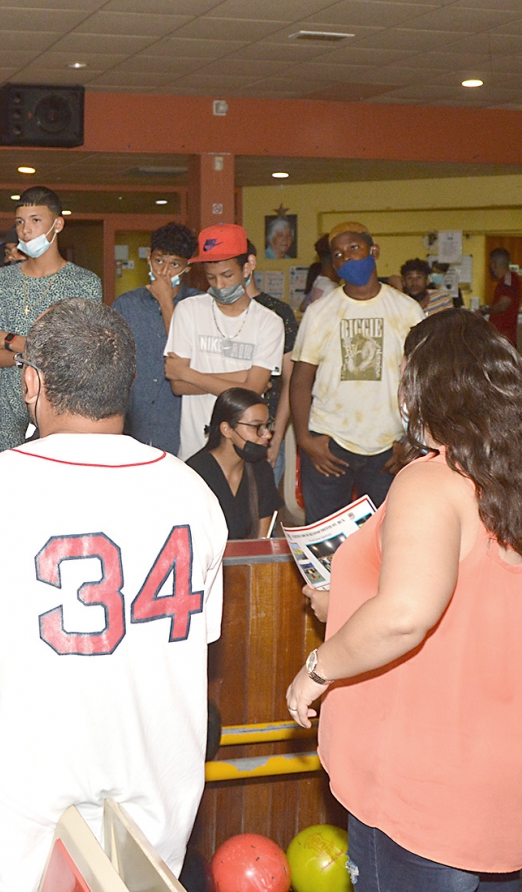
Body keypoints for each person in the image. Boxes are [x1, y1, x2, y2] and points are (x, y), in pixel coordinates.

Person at [0, 298, 227, 892]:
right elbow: (195, 644)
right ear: (126, 386)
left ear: (31, 382)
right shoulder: (192, 491)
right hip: (153, 818)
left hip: (16, 816)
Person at [287, 310, 522, 891]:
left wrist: (317, 669)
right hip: (502, 780)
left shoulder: (433, 479)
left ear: (417, 388)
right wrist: (342, 600)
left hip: (424, 783)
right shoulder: (506, 478)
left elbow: (405, 614)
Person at [290, 222, 423, 523]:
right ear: (333, 266)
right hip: (329, 445)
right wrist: (305, 441)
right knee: (323, 539)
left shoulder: (407, 310)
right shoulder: (320, 312)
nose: (347, 259)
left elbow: (422, 381)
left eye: (354, 249)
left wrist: (413, 442)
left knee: (391, 537)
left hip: (389, 448)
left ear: (373, 251)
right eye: (338, 255)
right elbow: (301, 380)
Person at [0, 186, 103, 454]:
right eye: (20, 222)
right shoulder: (1, 281)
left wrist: (11, 341)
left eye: (35, 220)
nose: (25, 230)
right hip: (7, 424)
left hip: (64, 420)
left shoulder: (84, 284)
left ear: (58, 224)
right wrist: (30, 354)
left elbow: (78, 357)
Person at [164, 223, 285, 460]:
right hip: (194, 450)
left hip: (244, 453)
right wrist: (242, 377)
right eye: (211, 277)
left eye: (227, 276)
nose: (219, 286)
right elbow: (177, 386)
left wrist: (187, 373)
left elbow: (253, 392)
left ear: (248, 266)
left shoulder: (269, 322)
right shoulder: (188, 310)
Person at [112, 222, 201, 455]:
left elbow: (189, 357)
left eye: (174, 264)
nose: (164, 272)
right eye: (159, 261)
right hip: (134, 420)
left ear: (188, 266)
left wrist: (166, 302)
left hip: (181, 422)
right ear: (149, 257)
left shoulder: (198, 305)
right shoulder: (127, 304)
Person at [186, 388, 281, 539]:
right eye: (257, 427)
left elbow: (262, 540)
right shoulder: (195, 474)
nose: (267, 434)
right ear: (227, 429)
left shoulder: (261, 470)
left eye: (266, 426)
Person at [244, 240, 298, 483]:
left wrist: (277, 439)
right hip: (224, 431)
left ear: (249, 264)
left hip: (265, 429)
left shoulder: (277, 312)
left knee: (261, 510)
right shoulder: (205, 310)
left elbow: (290, 380)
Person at [481, 247, 519, 346]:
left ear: (494, 264)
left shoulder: (509, 280)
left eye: (490, 263)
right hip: (500, 336)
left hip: (504, 337)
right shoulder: (504, 281)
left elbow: (503, 305)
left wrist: (484, 310)